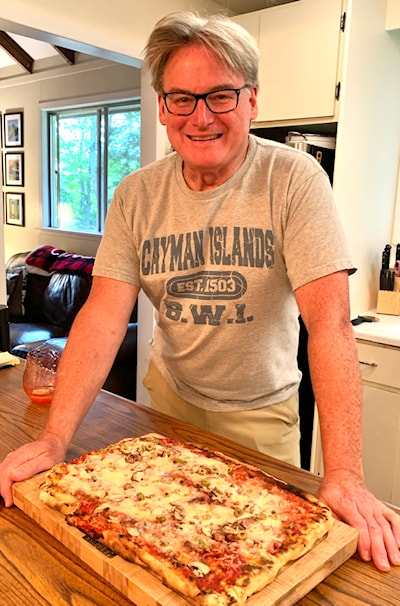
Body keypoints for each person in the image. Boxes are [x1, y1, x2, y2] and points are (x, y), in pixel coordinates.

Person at [0, 11, 399, 572]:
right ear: (163, 107)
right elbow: (103, 316)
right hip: (167, 405)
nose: (201, 117)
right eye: (182, 98)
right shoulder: (137, 194)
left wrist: (346, 476)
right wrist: (54, 439)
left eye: (221, 96)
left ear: (252, 101)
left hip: (262, 414)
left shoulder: (295, 181)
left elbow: (329, 326)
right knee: (164, 546)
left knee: (257, 556)